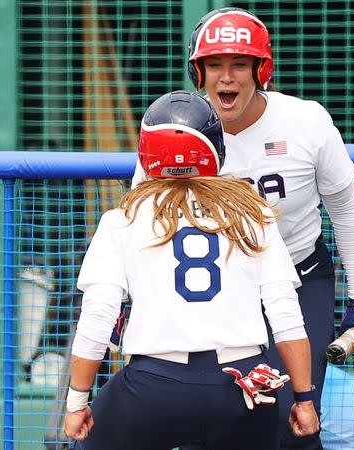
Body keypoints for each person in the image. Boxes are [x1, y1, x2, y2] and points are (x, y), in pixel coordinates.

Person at [130, 7, 354, 449]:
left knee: (293, 417)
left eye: (239, 64)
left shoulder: (306, 123)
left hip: (298, 279)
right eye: (215, 64)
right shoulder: (172, 127)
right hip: (214, 293)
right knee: (214, 420)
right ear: (199, 72)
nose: (226, 77)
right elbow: (142, 222)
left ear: (261, 69)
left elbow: (346, 208)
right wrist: (127, 301)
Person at [63, 90, 319, 449]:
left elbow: (97, 320)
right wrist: (304, 399)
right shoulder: (255, 214)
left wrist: (77, 403)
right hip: (243, 387)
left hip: (151, 388)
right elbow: (286, 317)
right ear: (215, 147)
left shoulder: (123, 219)